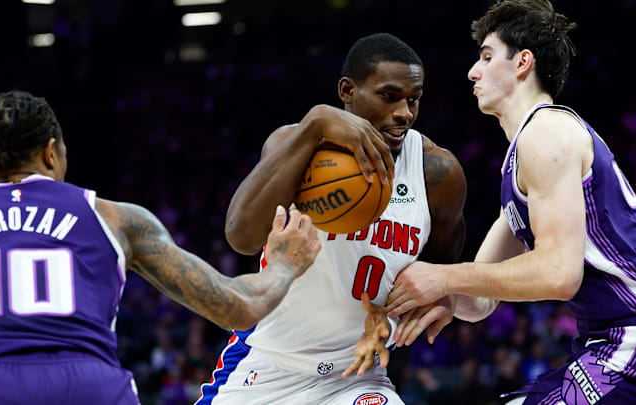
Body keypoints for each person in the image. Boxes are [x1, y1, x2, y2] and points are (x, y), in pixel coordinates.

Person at [386, 1, 636, 404]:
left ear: (523, 62)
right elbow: (481, 300)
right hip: (617, 343)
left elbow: (558, 275)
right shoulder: (525, 153)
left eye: (487, 57)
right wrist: (445, 300)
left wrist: (443, 276)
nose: (473, 71)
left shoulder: (546, 132)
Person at [0, 91, 321, 404]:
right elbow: (240, 307)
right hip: (88, 388)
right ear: (52, 152)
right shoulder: (116, 219)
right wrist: (284, 265)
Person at [198, 33, 467, 405]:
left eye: (413, 99)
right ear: (348, 90)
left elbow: (435, 283)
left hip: (355, 378)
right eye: (389, 96)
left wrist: (385, 317)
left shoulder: (437, 173)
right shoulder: (295, 144)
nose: (404, 112)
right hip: (265, 369)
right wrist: (316, 122)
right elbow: (241, 236)